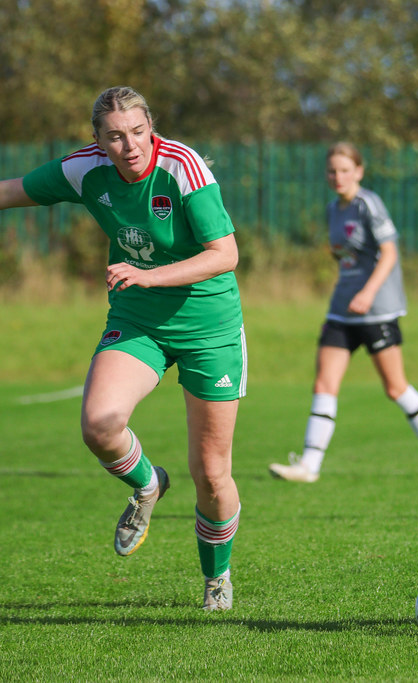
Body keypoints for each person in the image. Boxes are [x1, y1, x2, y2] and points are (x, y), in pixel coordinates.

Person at [0, 86, 244, 610]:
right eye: (115, 135)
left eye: (138, 132)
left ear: (150, 128)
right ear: (98, 140)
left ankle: (216, 579)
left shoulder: (183, 167)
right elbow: (11, 189)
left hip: (210, 326)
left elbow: (225, 254)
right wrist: (143, 284)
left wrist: (150, 277)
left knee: (211, 473)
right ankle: (147, 483)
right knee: (100, 424)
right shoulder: (83, 170)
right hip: (138, 319)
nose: (129, 145)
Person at [269, 142, 418, 483]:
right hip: (342, 309)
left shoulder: (369, 203)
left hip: (377, 309)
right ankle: (309, 465)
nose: (337, 177)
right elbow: (345, 257)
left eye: (344, 170)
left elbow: (389, 253)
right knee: (324, 382)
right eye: (331, 171)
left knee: (394, 387)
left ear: (359, 171)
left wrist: (368, 292)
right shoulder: (333, 210)